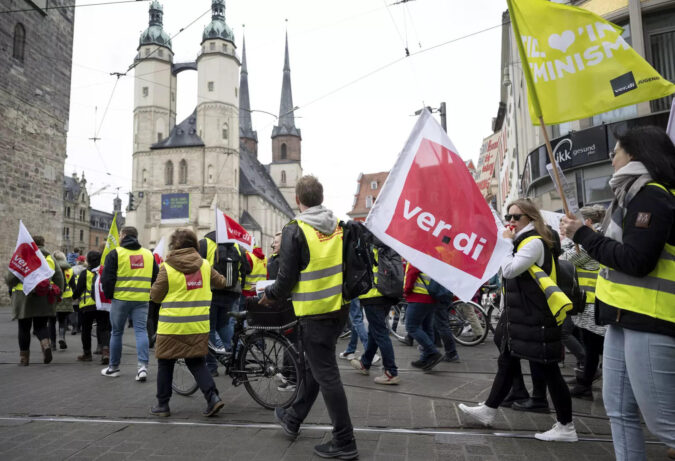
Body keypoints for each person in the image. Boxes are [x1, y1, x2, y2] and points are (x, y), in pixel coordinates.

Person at [560, 126, 675, 460]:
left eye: (617, 151)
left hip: (650, 317)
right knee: (619, 411)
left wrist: (583, 234)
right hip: (622, 317)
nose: (612, 158)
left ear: (635, 154)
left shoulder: (652, 194)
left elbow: (637, 261)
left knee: (664, 424)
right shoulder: (630, 195)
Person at [460, 199, 577, 442]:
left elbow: (510, 270)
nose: (511, 221)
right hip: (522, 315)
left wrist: (504, 244)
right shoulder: (523, 241)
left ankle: (566, 426)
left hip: (536, 316)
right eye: (508, 216)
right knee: (507, 359)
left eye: (516, 217)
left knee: (549, 370)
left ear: (531, 219)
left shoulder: (533, 242)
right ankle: (490, 410)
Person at [261, 175, 358, 459]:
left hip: (314, 312)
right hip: (339, 309)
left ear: (297, 200)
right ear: (321, 197)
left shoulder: (296, 229)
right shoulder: (339, 227)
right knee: (313, 366)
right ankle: (293, 418)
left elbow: (286, 277)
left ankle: (345, 440)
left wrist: (270, 295)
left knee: (326, 373)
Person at [149, 229, 227, 417]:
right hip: (197, 325)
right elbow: (222, 282)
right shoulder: (205, 265)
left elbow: (155, 296)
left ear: (174, 246)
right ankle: (213, 398)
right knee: (197, 362)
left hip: (171, 326)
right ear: (195, 245)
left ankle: (162, 405)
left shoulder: (167, 267)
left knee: (166, 364)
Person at [560, 205, 607, 400]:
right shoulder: (600, 238)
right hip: (592, 303)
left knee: (597, 345)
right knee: (592, 347)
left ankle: (585, 383)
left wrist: (568, 239)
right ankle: (584, 382)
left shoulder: (591, 242)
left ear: (587, 222)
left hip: (592, 304)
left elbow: (565, 259)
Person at [101, 226, 159, 380]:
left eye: (120, 234)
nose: (119, 237)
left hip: (120, 299)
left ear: (124, 235)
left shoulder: (115, 253)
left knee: (117, 332)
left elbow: (107, 278)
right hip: (142, 299)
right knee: (141, 331)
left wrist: (109, 295)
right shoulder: (148, 254)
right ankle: (142, 368)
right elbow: (156, 277)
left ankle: (114, 368)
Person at [5, 235, 64, 365]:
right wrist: (58, 294)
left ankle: (24, 358)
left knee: (24, 328)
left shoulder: (22, 256)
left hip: (23, 297)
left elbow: (10, 279)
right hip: (44, 296)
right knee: (41, 326)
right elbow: (59, 278)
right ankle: (46, 345)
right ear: (43, 243)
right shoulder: (50, 258)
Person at [198, 230, 250, 375]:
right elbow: (246, 269)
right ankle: (233, 361)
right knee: (225, 327)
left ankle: (212, 366)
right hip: (232, 293)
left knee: (210, 328)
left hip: (211, 292)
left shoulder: (205, 244)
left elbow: (197, 267)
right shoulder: (238, 247)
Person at [350, 239, 400, 384]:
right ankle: (365, 363)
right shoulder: (387, 248)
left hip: (372, 297)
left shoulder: (369, 249)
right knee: (374, 331)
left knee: (380, 333)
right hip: (385, 295)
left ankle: (391, 372)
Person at [403, 264, 447, 370]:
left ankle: (433, 352)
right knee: (427, 328)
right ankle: (425, 359)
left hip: (418, 296)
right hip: (431, 297)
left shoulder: (415, 255)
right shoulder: (432, 256)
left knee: (411, 327)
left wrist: (406, 291)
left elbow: (411, 273)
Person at [72, 251, 111, 364]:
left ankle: (87, 354)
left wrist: (74, 297)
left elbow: (78, 290)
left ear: (88, 260)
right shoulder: (104, 272)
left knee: (86, 330)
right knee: (104, 329)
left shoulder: (85, 273)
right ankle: (105, 353)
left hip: (87, 306)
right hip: (102, 305)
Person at [50, 251, 75, 350]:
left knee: (51, 321)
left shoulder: (51, 269)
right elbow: (74, 285)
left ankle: (52, 343)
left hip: (53, 297)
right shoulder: (70, 270)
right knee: (62, 320)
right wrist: (75, 296)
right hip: (66, 297)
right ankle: (61, 337)